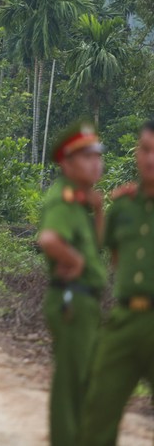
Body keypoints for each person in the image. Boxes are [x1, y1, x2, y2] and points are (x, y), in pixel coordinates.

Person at [80, 120, 154, 446]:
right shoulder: (123, 206)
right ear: (137, 153)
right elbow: (104, 249)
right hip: (124, 320)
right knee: (97, 410)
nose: (151, 159)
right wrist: (97, 210)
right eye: (147, 150)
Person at [37, 121, 107, 446]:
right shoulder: (64, 200)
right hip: (71, 299)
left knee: (83, 380)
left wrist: (98, 210)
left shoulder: (81, 202)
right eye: (87, 157)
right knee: (71, 383)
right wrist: (74, 261)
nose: (96, 163)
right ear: (66, 163)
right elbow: (49, 239)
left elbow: (97, 248)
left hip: (83, 301)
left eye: (98, 156)